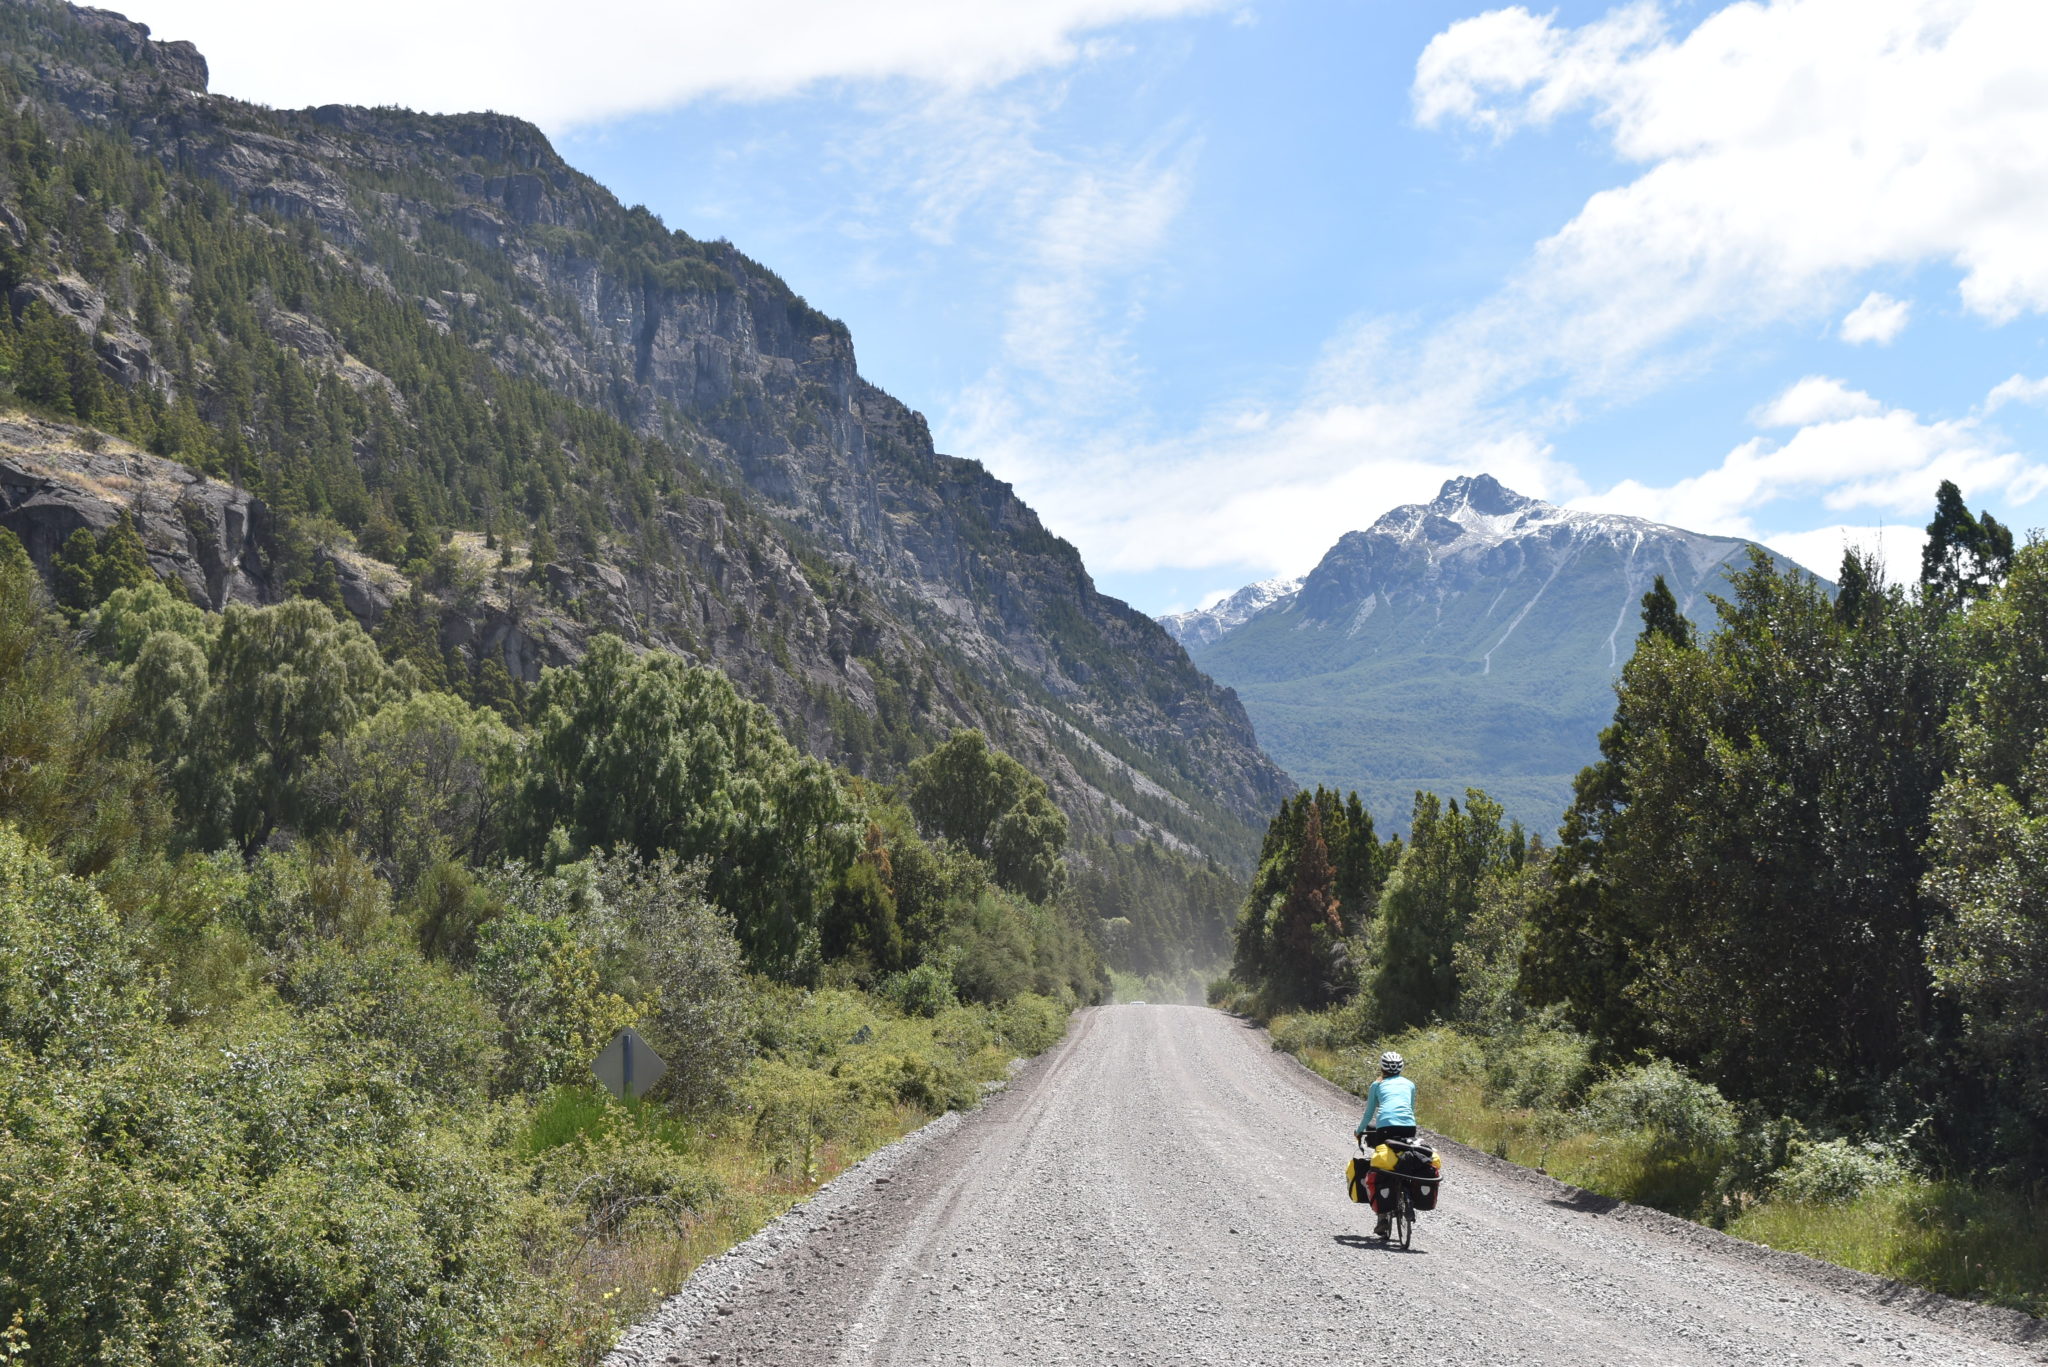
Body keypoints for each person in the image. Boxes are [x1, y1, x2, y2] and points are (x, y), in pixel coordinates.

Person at [1353, 1050, 1417, 1238]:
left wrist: (1359, 1131)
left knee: (1381, 1166)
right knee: (1404, 1158)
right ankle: (1408, 1196)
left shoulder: (1377, 1085)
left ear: (1382, 1067)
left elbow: (1369, 1113)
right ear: (1401, 1067)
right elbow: (1411, 1109)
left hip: (1385, 1128)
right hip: (1408, 1127)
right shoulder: (1410, 1084)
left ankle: (1382, 1219)